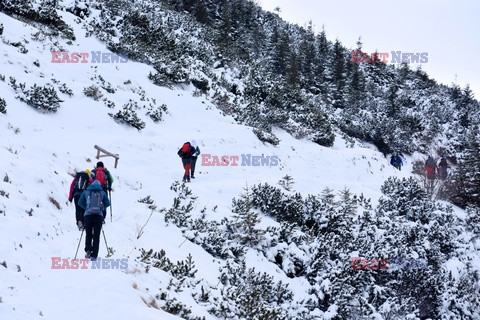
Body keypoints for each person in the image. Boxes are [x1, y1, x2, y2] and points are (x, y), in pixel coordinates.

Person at [78, 180, 110, 261]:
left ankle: (88, 249)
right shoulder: (102, 192)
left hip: (88, 216)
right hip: (98, 216)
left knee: (88, 234)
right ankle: (94, 255)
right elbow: (107, 203)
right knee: (96, 236)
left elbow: (80, 202)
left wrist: (87, 208)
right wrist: (101, 208)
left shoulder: (86, 191)